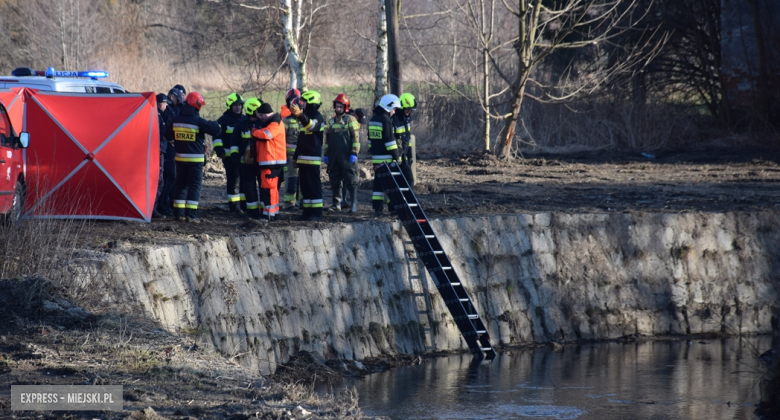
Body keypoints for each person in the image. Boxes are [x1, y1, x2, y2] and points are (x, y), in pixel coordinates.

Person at [165, 92, 221, 223]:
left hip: (180, 159)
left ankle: (178, 214)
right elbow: (216, 130)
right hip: (195, 161)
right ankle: (191, 215)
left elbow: (168, 136)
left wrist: (178, 142)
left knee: (180, 185)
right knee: (194, 186)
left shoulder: (176, 119)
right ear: (197, 106)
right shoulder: (198, 121)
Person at [289, 90, 325, 221]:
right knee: (304, 187)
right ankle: (307, 212)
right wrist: (295, 157)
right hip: (303, 158)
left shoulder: (318, 117)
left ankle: (316, 213)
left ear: (312, 103)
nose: (301, 104)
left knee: (313, 186)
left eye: (304, 102)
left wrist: (299, 115)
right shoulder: (304, 117)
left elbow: (311, 126)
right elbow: (300, 139)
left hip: (312, 158)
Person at [324, 93, 360, 212]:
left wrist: (354, 153)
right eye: (337, 106)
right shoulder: (331, 122)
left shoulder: (351, 120)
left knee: (351, 179)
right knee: (334, 178)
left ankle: (353, 204)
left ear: (346, 107)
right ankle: (336, 204)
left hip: (347, 156)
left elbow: (356, 138)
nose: (338, 109)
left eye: (341, 107)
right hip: (334, 156)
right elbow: (327, 140)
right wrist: (326, 154)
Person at [251, 102, 287, 221]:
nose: (260, 118)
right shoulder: (273, 121)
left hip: (271, 161)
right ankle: (271, 214)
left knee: (269, 189)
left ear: (265, 114)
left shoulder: (275, 122)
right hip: (270, 161)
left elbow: (266, 135)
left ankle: (269, 215)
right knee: (271, 189)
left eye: (261, 116)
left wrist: (254, 132)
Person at [368, 94, 402, 217]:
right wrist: (396, 157)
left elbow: (370, 142)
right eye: (394, 109)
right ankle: (392, 209)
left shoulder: (372, 120)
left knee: (378, 184)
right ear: (389, 107)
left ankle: (377, 209)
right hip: (387, 159)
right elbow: (390, 142)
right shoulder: (386, 120)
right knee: (391, 184)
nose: (394, 112)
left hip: (376, 159)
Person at [233, 97, 264, 220]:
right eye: (258, 110)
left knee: (263, 187)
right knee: (249, 187)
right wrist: (235, 155)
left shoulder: (263, 123)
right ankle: (252, 212)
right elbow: (234, 141)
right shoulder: (241, 124)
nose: (261, 113)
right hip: (246, 163)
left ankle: (264, 211)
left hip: (261, 161)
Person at [214, 93, 245, 213]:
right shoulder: (223, 120)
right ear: (230, 106)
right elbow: (217, 138)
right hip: (228, 156)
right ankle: (233, 206)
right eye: (235, 105)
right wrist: (220, 151)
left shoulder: (244, 119)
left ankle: (243, 205)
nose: (238, 107)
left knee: (243, 180)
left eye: (239, 105)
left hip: (243, 157)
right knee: (233, 181)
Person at [280, 88, 301, 209]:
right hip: (289, 156)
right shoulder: (286, 121)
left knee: (303, 181)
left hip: (303, 156)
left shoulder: (304, 119)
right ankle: (289, 203)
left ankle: (303, 202)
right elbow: (281, 139)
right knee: (291, 180)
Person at [394, 92, 417, 187]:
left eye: (411, 110)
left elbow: (408, 140)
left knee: (410, 181)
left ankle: (405, 201)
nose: (409, 111)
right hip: (395, 159)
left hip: (404, 159)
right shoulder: (394, 119)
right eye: (408, 109)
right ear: (402, 107)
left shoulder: (407, 120)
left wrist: (410, 155)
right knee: (396, 183)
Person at [152, 93, 169, 219]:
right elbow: (160, 134)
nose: (166, 106)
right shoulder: (156, 116)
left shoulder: (155, 114)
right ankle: (153, 209)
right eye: (165, 103)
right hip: (157, 152)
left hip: (156, 151)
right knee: (158, 180)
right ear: (160, 103)